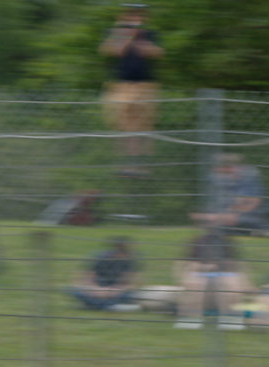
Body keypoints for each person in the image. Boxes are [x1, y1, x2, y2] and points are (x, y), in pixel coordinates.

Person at [99, 3, 163, 176]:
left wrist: (140, 37)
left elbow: (156, 53)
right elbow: (113, 51)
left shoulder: (149, 34)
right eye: (130, 16)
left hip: (145, 86)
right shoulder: (117, 34)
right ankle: (128, 162)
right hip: (122, 85)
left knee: (144, 125)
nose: (133, 20)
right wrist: (126, 35)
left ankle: (142, 164)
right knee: (124, 125)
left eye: (137, 16)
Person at [175, 212, 248, 329]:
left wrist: (246, 283)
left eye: (215, 222)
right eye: (209, 223)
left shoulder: (227, 242)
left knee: (231, 283)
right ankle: (190, 318)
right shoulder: (197, 241)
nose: (213, 226)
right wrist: (183, 277)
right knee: (195, 283)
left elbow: (236, 265)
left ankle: (230, 318)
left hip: (224, 274)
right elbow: (185, 263)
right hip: (200, 274)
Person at [206, 155, 269, 235]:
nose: (216, 172)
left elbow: (254, 202)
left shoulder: (249, 176)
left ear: (229, 167)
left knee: (227, 225)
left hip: (253, 215)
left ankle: (266, 231)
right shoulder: (222, 178)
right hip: (232, 215)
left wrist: (232, 214)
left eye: (219, 169)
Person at [70, 236, 140, 311]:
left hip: (116, 291)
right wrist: (97, 290)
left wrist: (114, 291)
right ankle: (110, 306)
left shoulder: (130, 261)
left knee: (132, 294)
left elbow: (130, 284)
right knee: (73, 290)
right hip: (97, 288)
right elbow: (87, 278)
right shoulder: (101, 257)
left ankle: (96, 305)